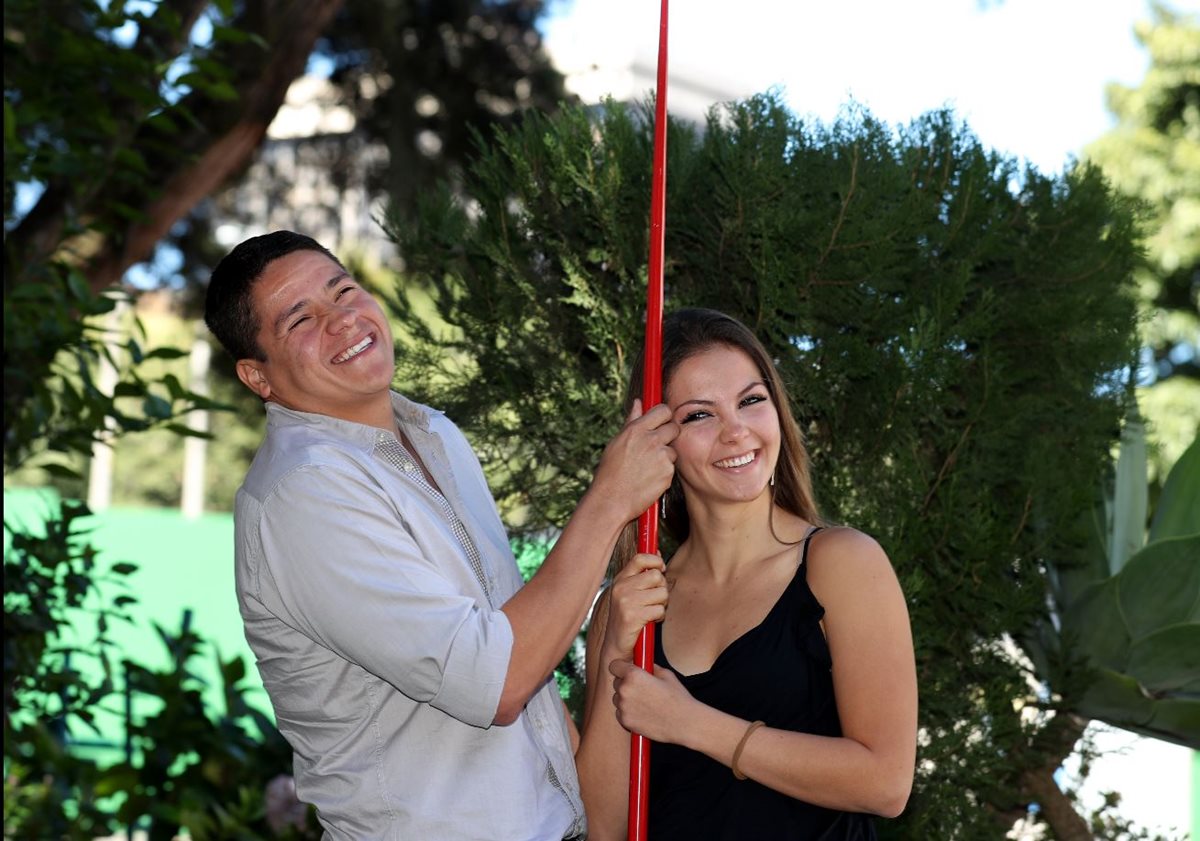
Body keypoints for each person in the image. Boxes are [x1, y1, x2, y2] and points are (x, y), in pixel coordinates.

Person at [202, 230, 679, 840]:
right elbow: (499, 681)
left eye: (343, 289)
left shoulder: (431, 432)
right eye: (301, 320)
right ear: (257, 376)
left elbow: (524, 676)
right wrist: (611, 497)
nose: (343, 319)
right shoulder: (302, 492)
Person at [576, 307, 917, 840]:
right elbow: (603, 827)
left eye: (751, 401)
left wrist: (691, 724)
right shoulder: (630, 604)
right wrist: (617, 644)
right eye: (699, 415)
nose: (736, 432)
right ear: (655, 440)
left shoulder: (841, 564)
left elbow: (886, 782)